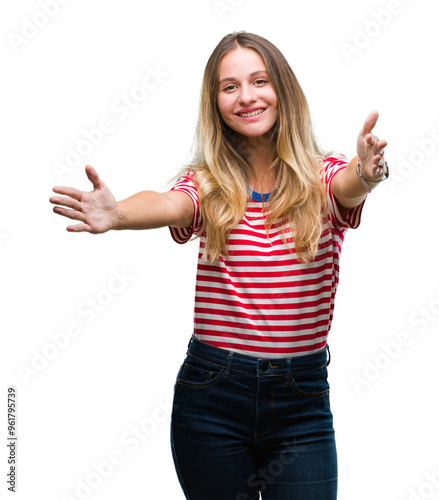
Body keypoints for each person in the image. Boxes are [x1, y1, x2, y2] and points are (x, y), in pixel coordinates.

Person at [50, 31, 388, 500]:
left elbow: (348, 185)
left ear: (283, 91)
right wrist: (117, 214)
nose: (246, 96)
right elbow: (170, 204)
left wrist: (367, 173)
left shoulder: (321, 175)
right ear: (216, 103)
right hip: (212, 396)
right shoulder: (208, 183)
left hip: (302, 400)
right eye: (229, 87)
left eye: (259, 81)